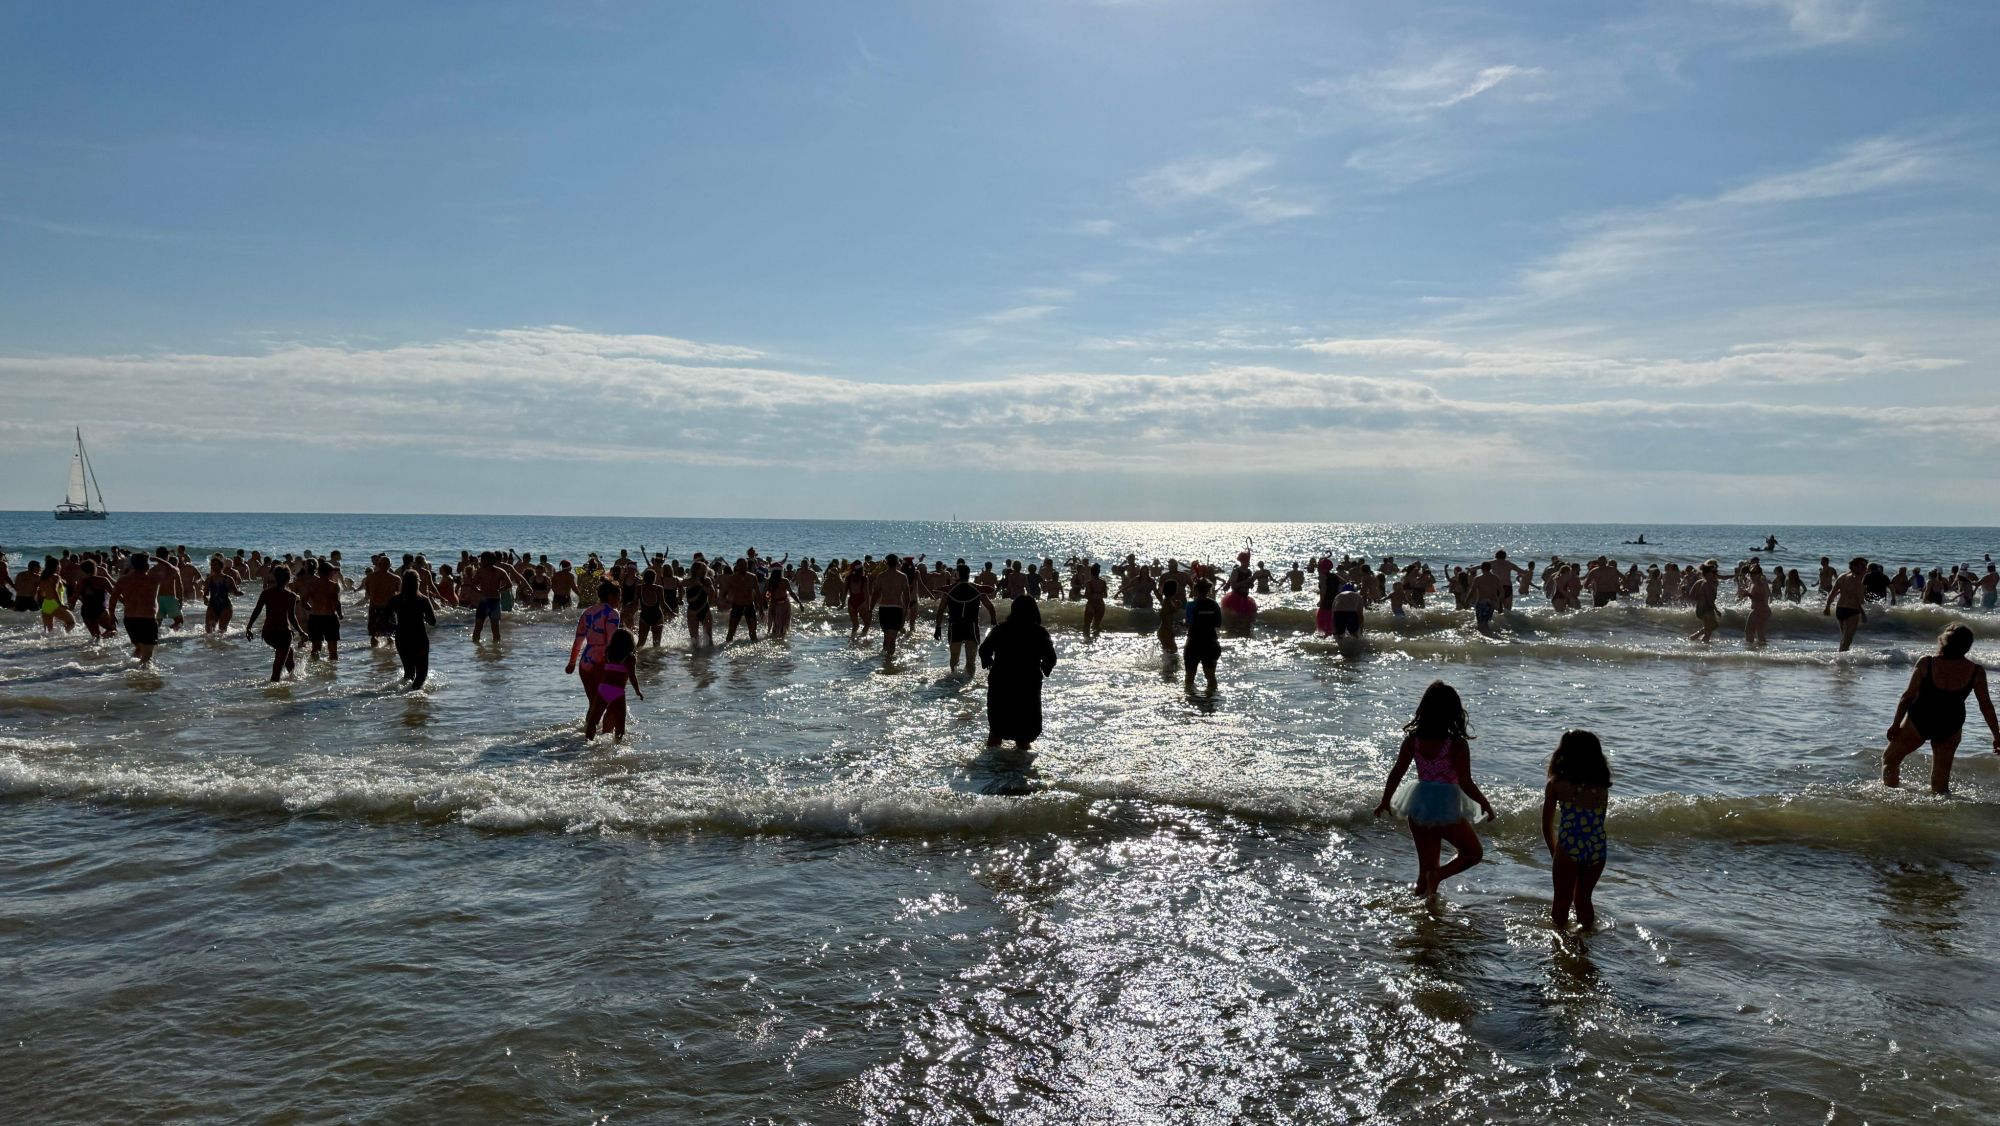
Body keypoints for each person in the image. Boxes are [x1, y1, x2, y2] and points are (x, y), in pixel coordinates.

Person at [1373, 681, 1495, 898]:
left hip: (1419, 805)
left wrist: (1386, 800)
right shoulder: (1456, 744)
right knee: (1473, 853)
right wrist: (1484, 803)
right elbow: (1465, 782)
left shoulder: (1414, 741)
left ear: (1425, 709)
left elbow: (1397, 772)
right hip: (1446, 807)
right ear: (1453, 713)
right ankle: (1437, 878)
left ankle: (1425, 912)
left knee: (1425, 871)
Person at [1882, 625, 1999, 795]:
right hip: (1951, 723)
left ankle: (1891, 800)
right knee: (1941, 780)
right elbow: (1986, 706)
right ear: (1967, 645)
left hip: (1920, 719)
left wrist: (1895, 724)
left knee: (1890, 760)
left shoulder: (1926, 662)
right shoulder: (1976, 671)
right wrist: (1996, 735)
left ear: (1943, 641)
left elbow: (1908, 696)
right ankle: (1940, 814)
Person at [1542, 730, 1610, 930]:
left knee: (1561, 904)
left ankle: (1560, 948)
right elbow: (1598, 820)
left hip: (1570, 845)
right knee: (1583, 900)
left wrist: (1555, 853)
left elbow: (1547, 825)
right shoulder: (1601, 786)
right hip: (1598, 847)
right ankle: (1585, 942)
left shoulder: (1556, 785)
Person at [978, 597, 1057, 753]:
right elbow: (1051, 658)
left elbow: (984, 650)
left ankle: (989, 766)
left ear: (1013, 610)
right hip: (1028, 684)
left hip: (1001, 682)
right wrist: (1044, 668)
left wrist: (989, 661)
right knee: (1024, 733)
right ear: (1034, 611)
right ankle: (1020, 767)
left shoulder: (1001, 629)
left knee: (996, 729)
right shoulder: (1039, 632)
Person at [244, 565, 305, 682]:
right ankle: (274, 694)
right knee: (277, 669)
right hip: (283, 634)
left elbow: (256, 611)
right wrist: (301, 632)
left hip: (268, 634)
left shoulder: (266, 593)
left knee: (289, 654)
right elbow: (292, 618)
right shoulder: (291, 596)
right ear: (288, 579)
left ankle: (292, 681)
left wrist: (249, 627)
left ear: (275, 578)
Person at [938, 564, 996, 675]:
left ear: (958, 574)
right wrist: (993, 620)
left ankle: (953, 680)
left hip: (955, 626)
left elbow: (940, 610)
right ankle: (969, 681)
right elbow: (990, 607)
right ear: (969, 574)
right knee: (971, 661)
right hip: (971, 627)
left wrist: (938, 627)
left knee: (954, 658)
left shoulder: (949, 590)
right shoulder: (978, 589)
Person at [586, 628, 643, 742]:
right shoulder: (630, 658)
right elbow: (632, 676)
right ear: (630, 642)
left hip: (603, 689)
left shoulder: (608, 653)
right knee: (620, 724)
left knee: (594, 721)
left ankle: (587, 742)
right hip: (618, 691)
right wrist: (638, 691)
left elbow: (605, 670)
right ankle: (617, 746)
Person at [386, 570, 437, 688]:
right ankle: (415, 701)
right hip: (419, 638)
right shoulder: (423, 600)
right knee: (421, 675)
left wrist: (395, 628)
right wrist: (423, 616)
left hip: (402, 638)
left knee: (409, 673)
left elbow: (385, 618)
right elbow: (433, 622)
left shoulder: (395, 600)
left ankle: (406, 698)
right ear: (417, 582)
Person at [109, 553, 163, 661]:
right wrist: (158, 559)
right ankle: (141, 676)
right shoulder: (153, 578)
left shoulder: (123, 580)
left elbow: (113, 598)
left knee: (139, 648)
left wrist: (112, 614)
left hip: (130, 620)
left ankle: (129, 668)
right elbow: (174, 570)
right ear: (147, 565)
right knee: (147, 656)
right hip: (148, 620)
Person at [869, 553, 919, 662]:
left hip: (884, 608)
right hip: (897, 608)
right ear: (897, 563)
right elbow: (907, 596)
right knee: (893, 638)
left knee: (886, 635)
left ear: (886, 564)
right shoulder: (902, 576)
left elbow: (875, 594)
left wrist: (870, 608)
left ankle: (885, 659)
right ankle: (889, 662)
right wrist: (907, 609)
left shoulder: (881, 576)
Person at [298, 559, 344, 662]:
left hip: (315, 618)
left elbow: (303, 602)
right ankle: (333, 673)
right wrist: (340, 614)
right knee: (333, 650)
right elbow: (336, 602)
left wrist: (312, 609)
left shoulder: (311, 585)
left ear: (319, 572)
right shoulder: (333, 585)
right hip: (330, 618)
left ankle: (315, 673)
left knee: (315, 649)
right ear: (329, 572)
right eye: (333, 571)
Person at [1182, 579, 1223, 694]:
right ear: (1208, 590)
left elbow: (1189, 623)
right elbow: (1218, 623)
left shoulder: (1191, 605)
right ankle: (1211, 699)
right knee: (1210, 676)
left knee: (1190, 677)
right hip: (1211, 642)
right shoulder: (1214, 604)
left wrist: (1184, 622)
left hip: (1194, 643)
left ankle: (1190, 700)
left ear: (1195, 590)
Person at [1823, 556, 1869, 653]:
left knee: (1845, 638)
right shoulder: (1857, 578)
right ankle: (1841, 661)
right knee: (1847, 640)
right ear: (1855, 566)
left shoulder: (1842, 576)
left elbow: (1833, 592)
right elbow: (1855, 597)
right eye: (1863, 566)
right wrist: (1862, 613)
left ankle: (1840, 657)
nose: (1865, 568)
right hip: (1852, 609)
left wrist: (1827, 607)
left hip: (1840, 609)